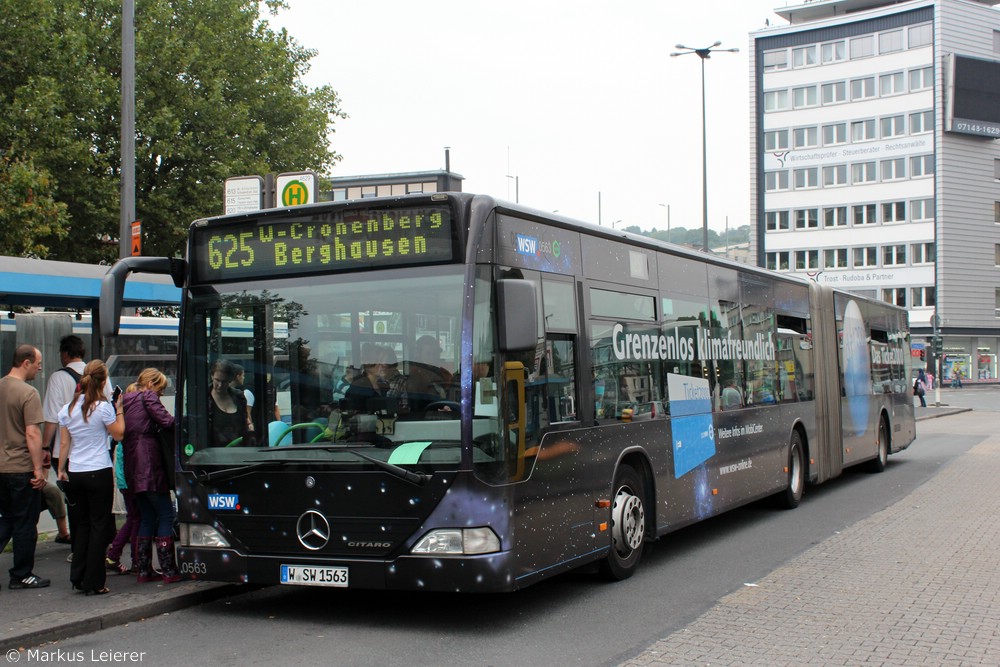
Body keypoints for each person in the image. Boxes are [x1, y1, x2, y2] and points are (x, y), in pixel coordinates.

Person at [56, 360, 124, 595]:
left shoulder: (67, 409)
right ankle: (94, 581)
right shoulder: (103, 408)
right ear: (103, 381)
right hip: (99, 471)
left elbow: (65, 443)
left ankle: (78, 576)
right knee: (99, 526)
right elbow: (119, 434)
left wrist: (61, 469)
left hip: (76, 471)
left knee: (81, 526)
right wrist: (120, 409)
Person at [121, 368, 180, 584]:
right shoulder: (147, 396)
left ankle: (144, 570)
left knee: (146, 517)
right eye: (160, 389)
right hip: (150, 462)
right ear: (150, 384)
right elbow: (168, 422)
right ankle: (169, 570)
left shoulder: (125, 400)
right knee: (164, 515)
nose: (161, 394)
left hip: (131, 465)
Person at [0, 345, 49, 590]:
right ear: (26, 362)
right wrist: (38, 470)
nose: (40, 368)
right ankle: (21, 574)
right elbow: (32, 433)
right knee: (24, 524)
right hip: (21, 467)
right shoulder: (29, 393)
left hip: (1, 467)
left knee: (6, 520)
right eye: (38, 363)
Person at [41, 335, 88, 546]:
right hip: (97, 454)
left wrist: (44, 447)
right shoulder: (98, 374)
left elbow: (51, 419)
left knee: (74, 502)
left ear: (66, 354)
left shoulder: (58, 378)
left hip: (68, 453)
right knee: (95, 503)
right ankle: (98, 546)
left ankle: (78, 546)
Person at [104, 438, 139, 576]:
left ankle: (113, 555)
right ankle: (136, 560)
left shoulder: (119, 441)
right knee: (136, 519)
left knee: (133, 518)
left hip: (124, 480)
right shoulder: (126, 439)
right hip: (129, 480)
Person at [209, 360, 253, 447]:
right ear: (212, 376)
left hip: (239, 451)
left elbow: (244, 423)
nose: (220, 385)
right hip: (213, 454)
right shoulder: (203, 398)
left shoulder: (239, 396)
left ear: (230, 380)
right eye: (217, 380)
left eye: (224, 381)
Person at [406, 336, 453, 411]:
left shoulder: (444, 373)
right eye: (428, 354)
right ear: (419, 355)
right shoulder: (414, 377)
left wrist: (448, 406)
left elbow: (451, 395)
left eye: (435, 354)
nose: (432, 357)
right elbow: (415, 406)